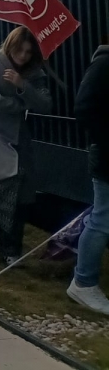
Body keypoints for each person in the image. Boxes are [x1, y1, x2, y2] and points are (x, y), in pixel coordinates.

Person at [0, 26, 52, 264]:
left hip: (18, 135)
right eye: (19, 50)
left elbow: (45, 103)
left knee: (22, 193)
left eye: (28, 51)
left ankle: (9, 248)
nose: (23, 56)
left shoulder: (33, 71)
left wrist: (22, 85)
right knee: (9, 175)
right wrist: (20, 104)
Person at [68, 39, 109, 313]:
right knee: (102, 218)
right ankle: (83, 282)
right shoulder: (104, 63)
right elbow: (84, 109)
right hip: (107, 154)